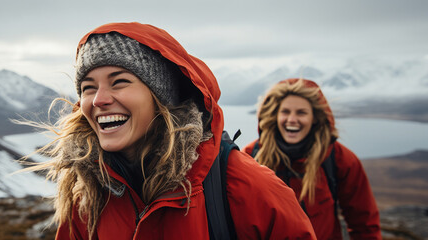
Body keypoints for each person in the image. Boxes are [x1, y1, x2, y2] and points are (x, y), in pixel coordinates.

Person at [30, 22, 316, 239]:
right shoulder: (88, 196)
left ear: (161, 97)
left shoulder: (243, 185)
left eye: (119, 82)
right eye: (88, 88)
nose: (98, 99)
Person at [242, 78, 381, 239]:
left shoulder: (339, 159)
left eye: (301, 112)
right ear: (275, 115)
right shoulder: (251, 157)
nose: (292, 119)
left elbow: (364, 224)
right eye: (285, 112)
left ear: (315, 117)